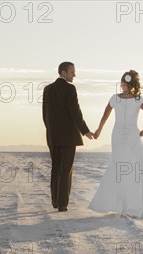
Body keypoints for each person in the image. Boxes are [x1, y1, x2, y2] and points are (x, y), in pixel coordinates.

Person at [89, 70, 143, 218]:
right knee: (121, 166)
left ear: (130, 83)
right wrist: (98, 131)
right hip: (120, 135)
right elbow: (105, 116)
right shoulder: (119, 98)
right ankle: (122, 204)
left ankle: (135, 205)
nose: (122, 86)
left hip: (131, 134)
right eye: (121, 83)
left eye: (124, 83)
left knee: (135, 167)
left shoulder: (136, 99)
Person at [42, 61, 95, 212]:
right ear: (63, 72)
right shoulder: (70, 89)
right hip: (68, 137)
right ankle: (62, 204)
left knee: (55, 168)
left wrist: (51, 131)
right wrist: (85, 131)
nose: (74, 75)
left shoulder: (47, 89)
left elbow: (45, 115)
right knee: (66, 170)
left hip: (52, 136)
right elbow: (75, 112)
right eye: (72, 72)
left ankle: (54, 200)